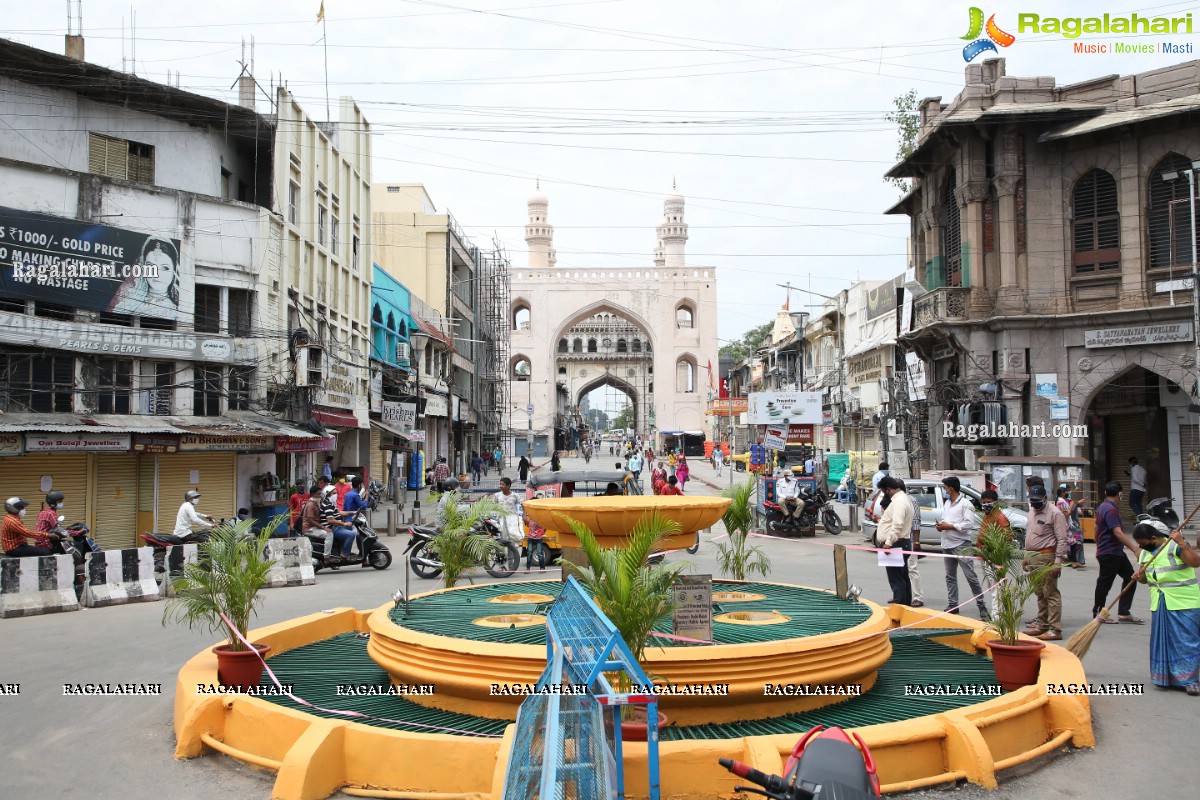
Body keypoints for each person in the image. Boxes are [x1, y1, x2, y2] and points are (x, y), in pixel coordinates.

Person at [1132, 519, 1200, 696]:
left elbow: (1195, 562)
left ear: (1154, 538)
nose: (1141, 547)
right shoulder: (1145, 554)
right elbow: (1147, 578)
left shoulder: (1174, 547)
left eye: (1143, 543)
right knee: (1166, 642)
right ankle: (1167, 677)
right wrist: (1140, 577)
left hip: (1184, 602)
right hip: (1160, 602)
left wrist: (1182, 543)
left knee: (1186, 641)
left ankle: (1190, 680)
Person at [935, 477, 990, 621]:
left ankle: (981, 606)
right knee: (950, 576)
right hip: (947, 544)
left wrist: (950, 526)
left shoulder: (966, 504)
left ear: (950, 489)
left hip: (961, 545)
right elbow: (946, 520)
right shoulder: (947, 503)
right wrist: (941, 526)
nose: (944, 491)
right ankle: (953, 604)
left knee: (970, 576)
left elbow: (968, 524)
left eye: (945, 488)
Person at [1092, 481, 1143, 624]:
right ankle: (1098, 612)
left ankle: (1124, 612)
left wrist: (1098, 543)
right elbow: (1118, 533)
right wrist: (1135, 549)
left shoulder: (1102, 506)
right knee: (1105, 583)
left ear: (1105, 493)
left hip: (1115, 551)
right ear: (1120, 494)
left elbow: (1096, 528)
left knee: (1131, 578)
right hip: (1110, 553)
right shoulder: (1111, 510)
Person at [1022, 484, 1069, 641]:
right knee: (1040, 593)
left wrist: (1058, 562)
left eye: (1036, 500)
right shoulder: (1032, 512)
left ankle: (1055, 629)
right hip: (1033, 557)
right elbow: (1029, 535)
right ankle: (1042, 625)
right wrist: (1026, 556)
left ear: (1045, 498)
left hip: (1047, 557)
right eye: (1031, 500)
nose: (1034, 503)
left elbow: (1062, 539)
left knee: (1051, 593)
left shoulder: (1055, 514)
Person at [109, 236, 180, 317]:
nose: (156, 273)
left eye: (164, 268)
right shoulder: (129, 304)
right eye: (150, 266)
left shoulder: (174, 313)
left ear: (174, 272)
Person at [875, 476, 914, 605]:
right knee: (902, 577)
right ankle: (905, 605)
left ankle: (900, 607)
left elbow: (897, 524)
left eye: (883, 492)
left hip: (896, 544)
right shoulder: (903, 499)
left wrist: (888, 543)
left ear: (888, 489)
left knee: (896, 579)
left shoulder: (899, 502)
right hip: (900, 543)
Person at [977, 489, 1012, 618]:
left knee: (996, 588)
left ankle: (997, 618)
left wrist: (992, 549)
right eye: (984, 502)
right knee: (993, 588)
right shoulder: (987, 515)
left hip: (995, 558)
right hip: (985, 556)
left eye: (989, 502)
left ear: (995, 502)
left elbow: (1007, 538)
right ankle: (1002, 613)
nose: (986, 504)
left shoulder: (1000, 517)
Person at [320, 485, 355, 561]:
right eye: (334, 493)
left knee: (350, 527)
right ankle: (345, 553)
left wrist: (351, 512)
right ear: (328, 494)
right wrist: (344, 524)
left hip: (336, 526)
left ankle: (343, 549)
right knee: (351, 534)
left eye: (336, 493)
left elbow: (338, 513)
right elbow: (330, 520)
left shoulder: (331, 503)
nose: (336, 495)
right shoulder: (328, 505)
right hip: (333, 527)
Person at [1057, 484, 1085, 569]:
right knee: (1072, 543)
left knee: (1072, 543)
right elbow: (1066, 513)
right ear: (1062, 492)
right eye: (1067, 491)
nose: (1068, 492)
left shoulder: (1064, 501)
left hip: (1070, 525)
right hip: (1065, 526)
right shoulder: (1061, 502)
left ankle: (1073, 561)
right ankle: (1071, 561)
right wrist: (1072, 507)